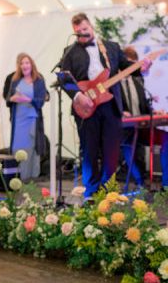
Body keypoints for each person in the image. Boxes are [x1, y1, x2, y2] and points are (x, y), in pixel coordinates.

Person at [60, 13, 151, 198]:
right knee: (89, 150)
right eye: (78, 32)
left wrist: (142, 68)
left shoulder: (111, 47)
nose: (82, 34)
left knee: (111, 150)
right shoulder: (69, 51)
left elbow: (127, 67)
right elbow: (64, 78)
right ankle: (91, 193)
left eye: (85, 30)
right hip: (85, 107)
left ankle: (108, 191)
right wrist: (78, 96)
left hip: (110, 105)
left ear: (91, 26)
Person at [6, 53, 48, 182]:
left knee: (31, 151)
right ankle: (17, 180)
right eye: (21, 63)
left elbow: (40, 101)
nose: (24, 65)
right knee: (17, 150)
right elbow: (8, 100)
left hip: (32, 120)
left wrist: (27, 99)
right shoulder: (15, 80)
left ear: (32, 64)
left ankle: (31, 179)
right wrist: (12, 99)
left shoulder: (39, 81)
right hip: (18, 120)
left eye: (27, 62)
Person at [120, 46, 149, 188]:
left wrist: (151, 112)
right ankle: (139, 181)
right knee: (128, 146)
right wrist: (121, 111)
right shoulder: (114, 83)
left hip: (140, 123)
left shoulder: (138, 79)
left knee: (142, 149)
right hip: (123, 125)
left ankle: (145, 180)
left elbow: (143, 101)